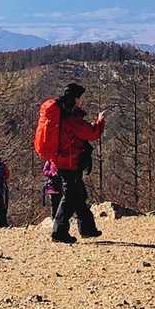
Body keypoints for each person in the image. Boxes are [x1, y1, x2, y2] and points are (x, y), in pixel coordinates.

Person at [51, 82, 105, 244]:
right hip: (70, 163)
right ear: (75, 99)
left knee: (79, 194)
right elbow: (92, 133)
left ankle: (88, 228)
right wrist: (100, 121)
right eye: (80, 98)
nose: (82, 101)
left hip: (63, 162)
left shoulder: (62, 115)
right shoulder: (71, 119)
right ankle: (59, 232)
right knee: (70, 196)